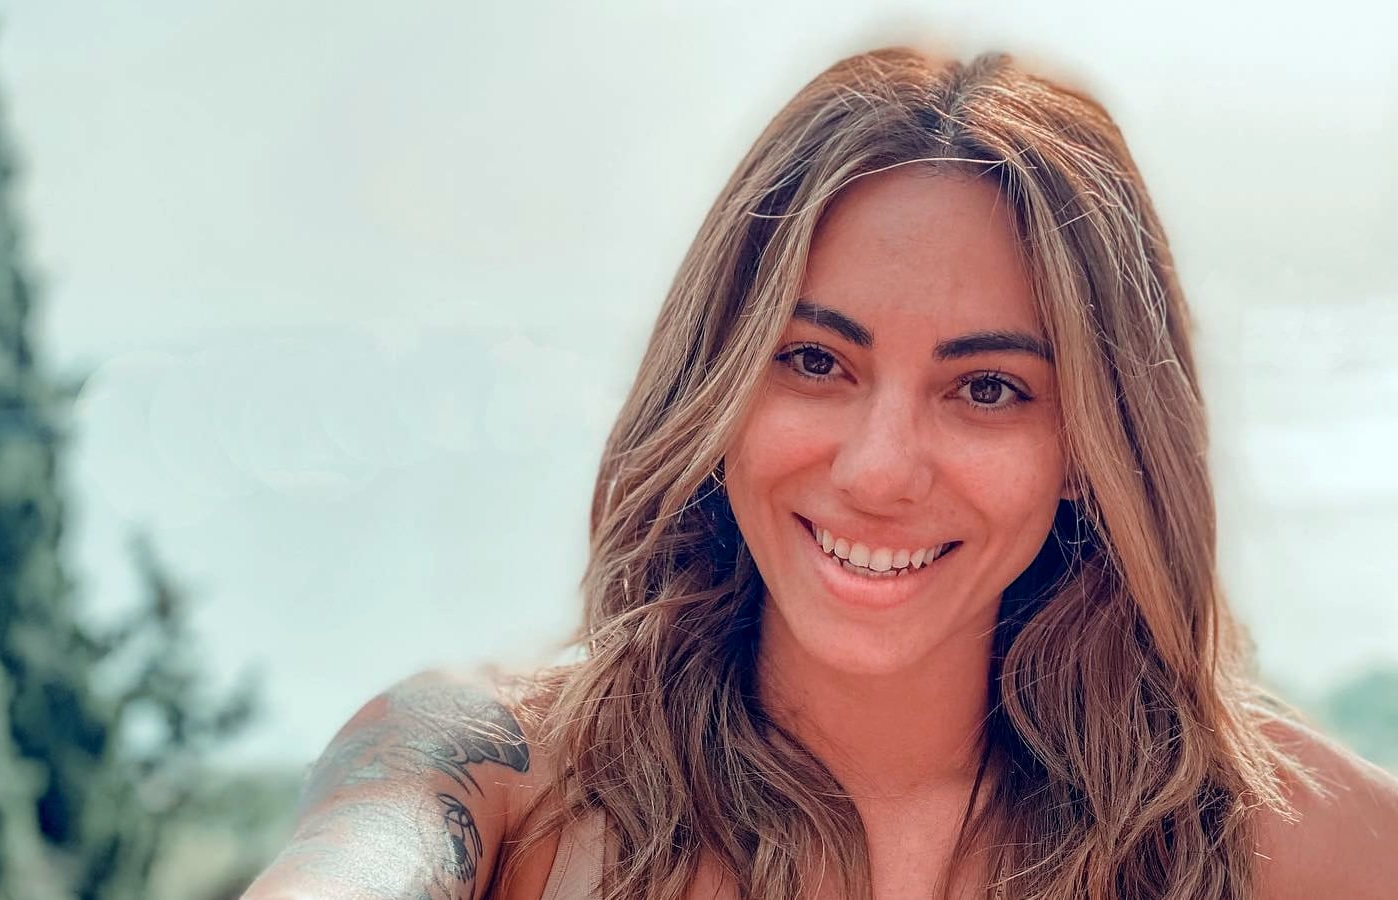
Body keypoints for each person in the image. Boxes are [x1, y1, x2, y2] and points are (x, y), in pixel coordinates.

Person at [243, 45, 1398, 900]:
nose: (878, 469)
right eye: (812, 362)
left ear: (1091, 451)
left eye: (986, 388)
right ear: (718, 385)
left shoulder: (1286, 840)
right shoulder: (487, 779)